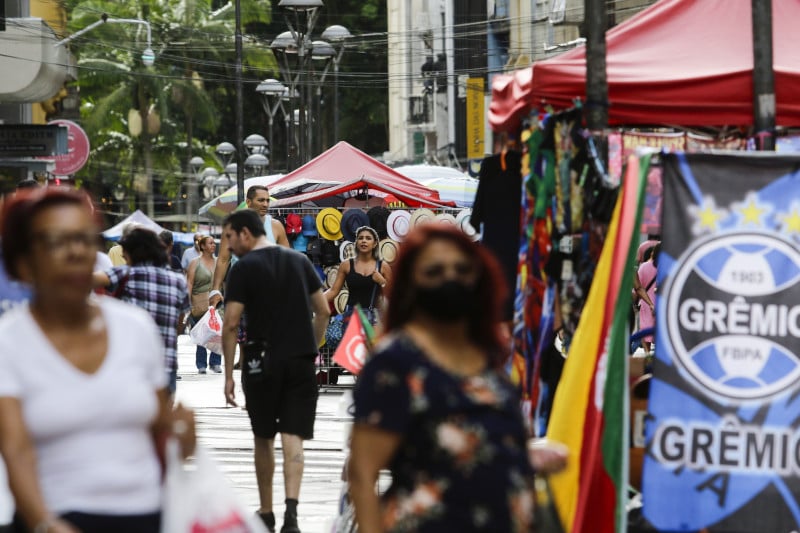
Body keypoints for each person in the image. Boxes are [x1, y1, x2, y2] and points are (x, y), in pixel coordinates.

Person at [0, 187, 195, 533]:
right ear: (23, 261)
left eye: (84, 239)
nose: (76, 251)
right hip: (55, 519)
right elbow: (15, 451)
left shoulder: (135, 328)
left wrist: (182, 438)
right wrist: (45, 523)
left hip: (146, 517)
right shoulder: (10, 342)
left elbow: (159, 434)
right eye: (56, 242)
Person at [348, 225, 567, 533]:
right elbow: (362, 473)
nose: (450, 278)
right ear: (410, 284)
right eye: (434, 271)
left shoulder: (486, 356)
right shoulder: (395, 361)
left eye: (462, 269)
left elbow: (471, 448)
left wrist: (525, 455)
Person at [220, 209, 329, 533]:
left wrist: (228, 375)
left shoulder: (243, 268)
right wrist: (311, 345)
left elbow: (231, 323)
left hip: (260, 361)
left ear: (245, 233)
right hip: (300, 360)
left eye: (229, 237)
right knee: (293, 436)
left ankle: (266, 512)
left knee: (263, 436)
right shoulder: (299, 261)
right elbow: (323, 310)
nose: (228, 245)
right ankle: (291, 513)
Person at [93, 227, 190, 395]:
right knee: (163, 410)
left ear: (135, 252)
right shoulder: (178, 280)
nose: (122, 255)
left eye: (125, 251)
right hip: (166, 365)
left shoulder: (126, 274)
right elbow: (181, 320)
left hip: (132, 365)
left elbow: (86, 280)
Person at [209, 185, 289, 308]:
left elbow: (287, 261)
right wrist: (215, 290)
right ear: (248, 202)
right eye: (261, 200)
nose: (265, 204)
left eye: (267, 200)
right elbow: (223, 260)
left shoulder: (276, 226)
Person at [324, 225, 391, 322]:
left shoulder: (383, 266)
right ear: (356, 243)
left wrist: (382, 281)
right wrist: (314, 301)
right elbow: (333, 291)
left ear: (375, 243)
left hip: (375, 318)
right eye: (360, 238)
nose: (364, 241)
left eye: (368, 238)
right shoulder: (346, 265)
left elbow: (392, 294)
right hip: (352, 316)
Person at [186, 234, 222, 373]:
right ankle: (201, 364)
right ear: (202, 246)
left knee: (217, 332)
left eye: (214, 243)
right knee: (202, 334)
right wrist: (187, 302)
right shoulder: (195, 262)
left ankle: (215, 362)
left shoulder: (219, 262)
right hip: (199, 303)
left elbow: (223, 282)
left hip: (216, 302)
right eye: (210, 243)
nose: (213, 245)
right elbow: (189, 283)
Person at [637, 243, 659, 354]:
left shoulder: (644, 267)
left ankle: (647, 354)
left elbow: (638, 287)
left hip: (646, 303)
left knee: (645, 331)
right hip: (660, 302)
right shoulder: (667, 267)